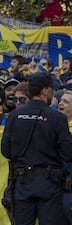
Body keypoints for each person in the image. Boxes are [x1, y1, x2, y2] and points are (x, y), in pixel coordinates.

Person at [1, 72, 72, 225]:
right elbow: (68, 153)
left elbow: (5, 150)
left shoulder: (14, 116)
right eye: (52, 88)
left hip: (22, 182)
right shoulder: (57, 117)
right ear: (45, 90)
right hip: (50, 183)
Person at [58, 90, 72, 225]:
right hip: (55, 189)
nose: (61, 103)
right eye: (60, 100)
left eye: (66, 102)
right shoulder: (55, 126)